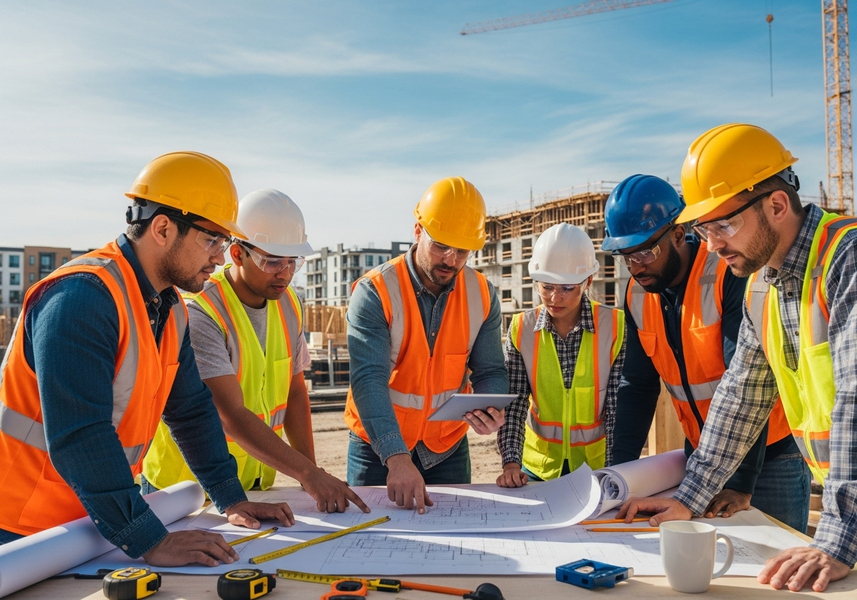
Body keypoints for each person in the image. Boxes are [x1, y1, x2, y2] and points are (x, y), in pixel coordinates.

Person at [0, 152, 294, 568]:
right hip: (21, 532)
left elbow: (191, 411)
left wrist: (231, 498)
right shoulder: (81, 299)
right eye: (212, 240)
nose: (219, 256)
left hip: (94, 526)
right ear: (161, 228)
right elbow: (79, 436)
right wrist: (149, 539)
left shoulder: (169, 308)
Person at [618, 124, 857, 591]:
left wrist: (839, 535)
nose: (712, 245)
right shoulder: (762, 286)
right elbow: (740, 396)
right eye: (703, 229)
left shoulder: (845, 259)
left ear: (776, 205)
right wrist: (690, 497)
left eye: (723, 225)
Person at [605, 174, 810, 532]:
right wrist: (618, 473)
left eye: (645, 252)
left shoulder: (728, 274)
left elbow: (746, 382)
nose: (636, 266)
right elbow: (636, 387)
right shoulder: (636, 296)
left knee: (776, 571)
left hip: (770, 458)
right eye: (626, 257)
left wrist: (740, 481)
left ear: (677, 233)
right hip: (702, 457)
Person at [143, 189, 368, 514]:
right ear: (237, 254)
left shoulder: (289, 304)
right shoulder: (202, 312)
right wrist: (307, 473)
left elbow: (293, 392)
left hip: (253, 485)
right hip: (184, 490)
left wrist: (311, 473)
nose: (285, 273)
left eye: (293, 262)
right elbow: (229, 415)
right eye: (272, 261)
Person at [344, 176, 509, 513]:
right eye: (441, 245)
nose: (450, 259)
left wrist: (491, 408)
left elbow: (490, 369)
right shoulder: (375, 291)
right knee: (371, 544)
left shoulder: (481, 293)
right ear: (418, 231)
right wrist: (396, 455)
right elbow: (369, 380)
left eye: (462, 251)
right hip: (377, 448)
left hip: (446, 448)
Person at [496, 223, 625, 488]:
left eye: (567, 288)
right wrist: (510, 463)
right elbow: (516, 402)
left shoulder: (615, 326)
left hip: (597, 467)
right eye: (546, 287)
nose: (555, 298)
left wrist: (616, 471)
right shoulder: (522, 329)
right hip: (536, 467)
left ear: (588, 281)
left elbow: (616, 409)